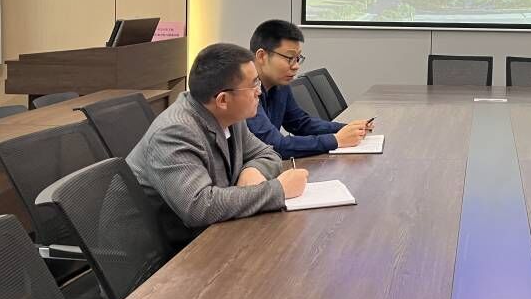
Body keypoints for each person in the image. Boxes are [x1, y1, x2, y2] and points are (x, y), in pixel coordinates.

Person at [127, 43, 308, 248]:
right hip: (167, 252)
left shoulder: (231, 116)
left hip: (210, 234)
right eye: (253, 85)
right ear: (223, 100)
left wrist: (252, 170)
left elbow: (267, 153)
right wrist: (278, 190)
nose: (259, 91)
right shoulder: (174, 132)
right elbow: (199, 207)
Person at [245, 19, 369, 159]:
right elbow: (274, 145)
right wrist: (336, 140)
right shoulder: (243, 91)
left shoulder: (281, 85)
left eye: (298, 58)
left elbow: (301, 124)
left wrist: (347, 129)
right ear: (262, 56)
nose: (296, 66)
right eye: (290, 58)